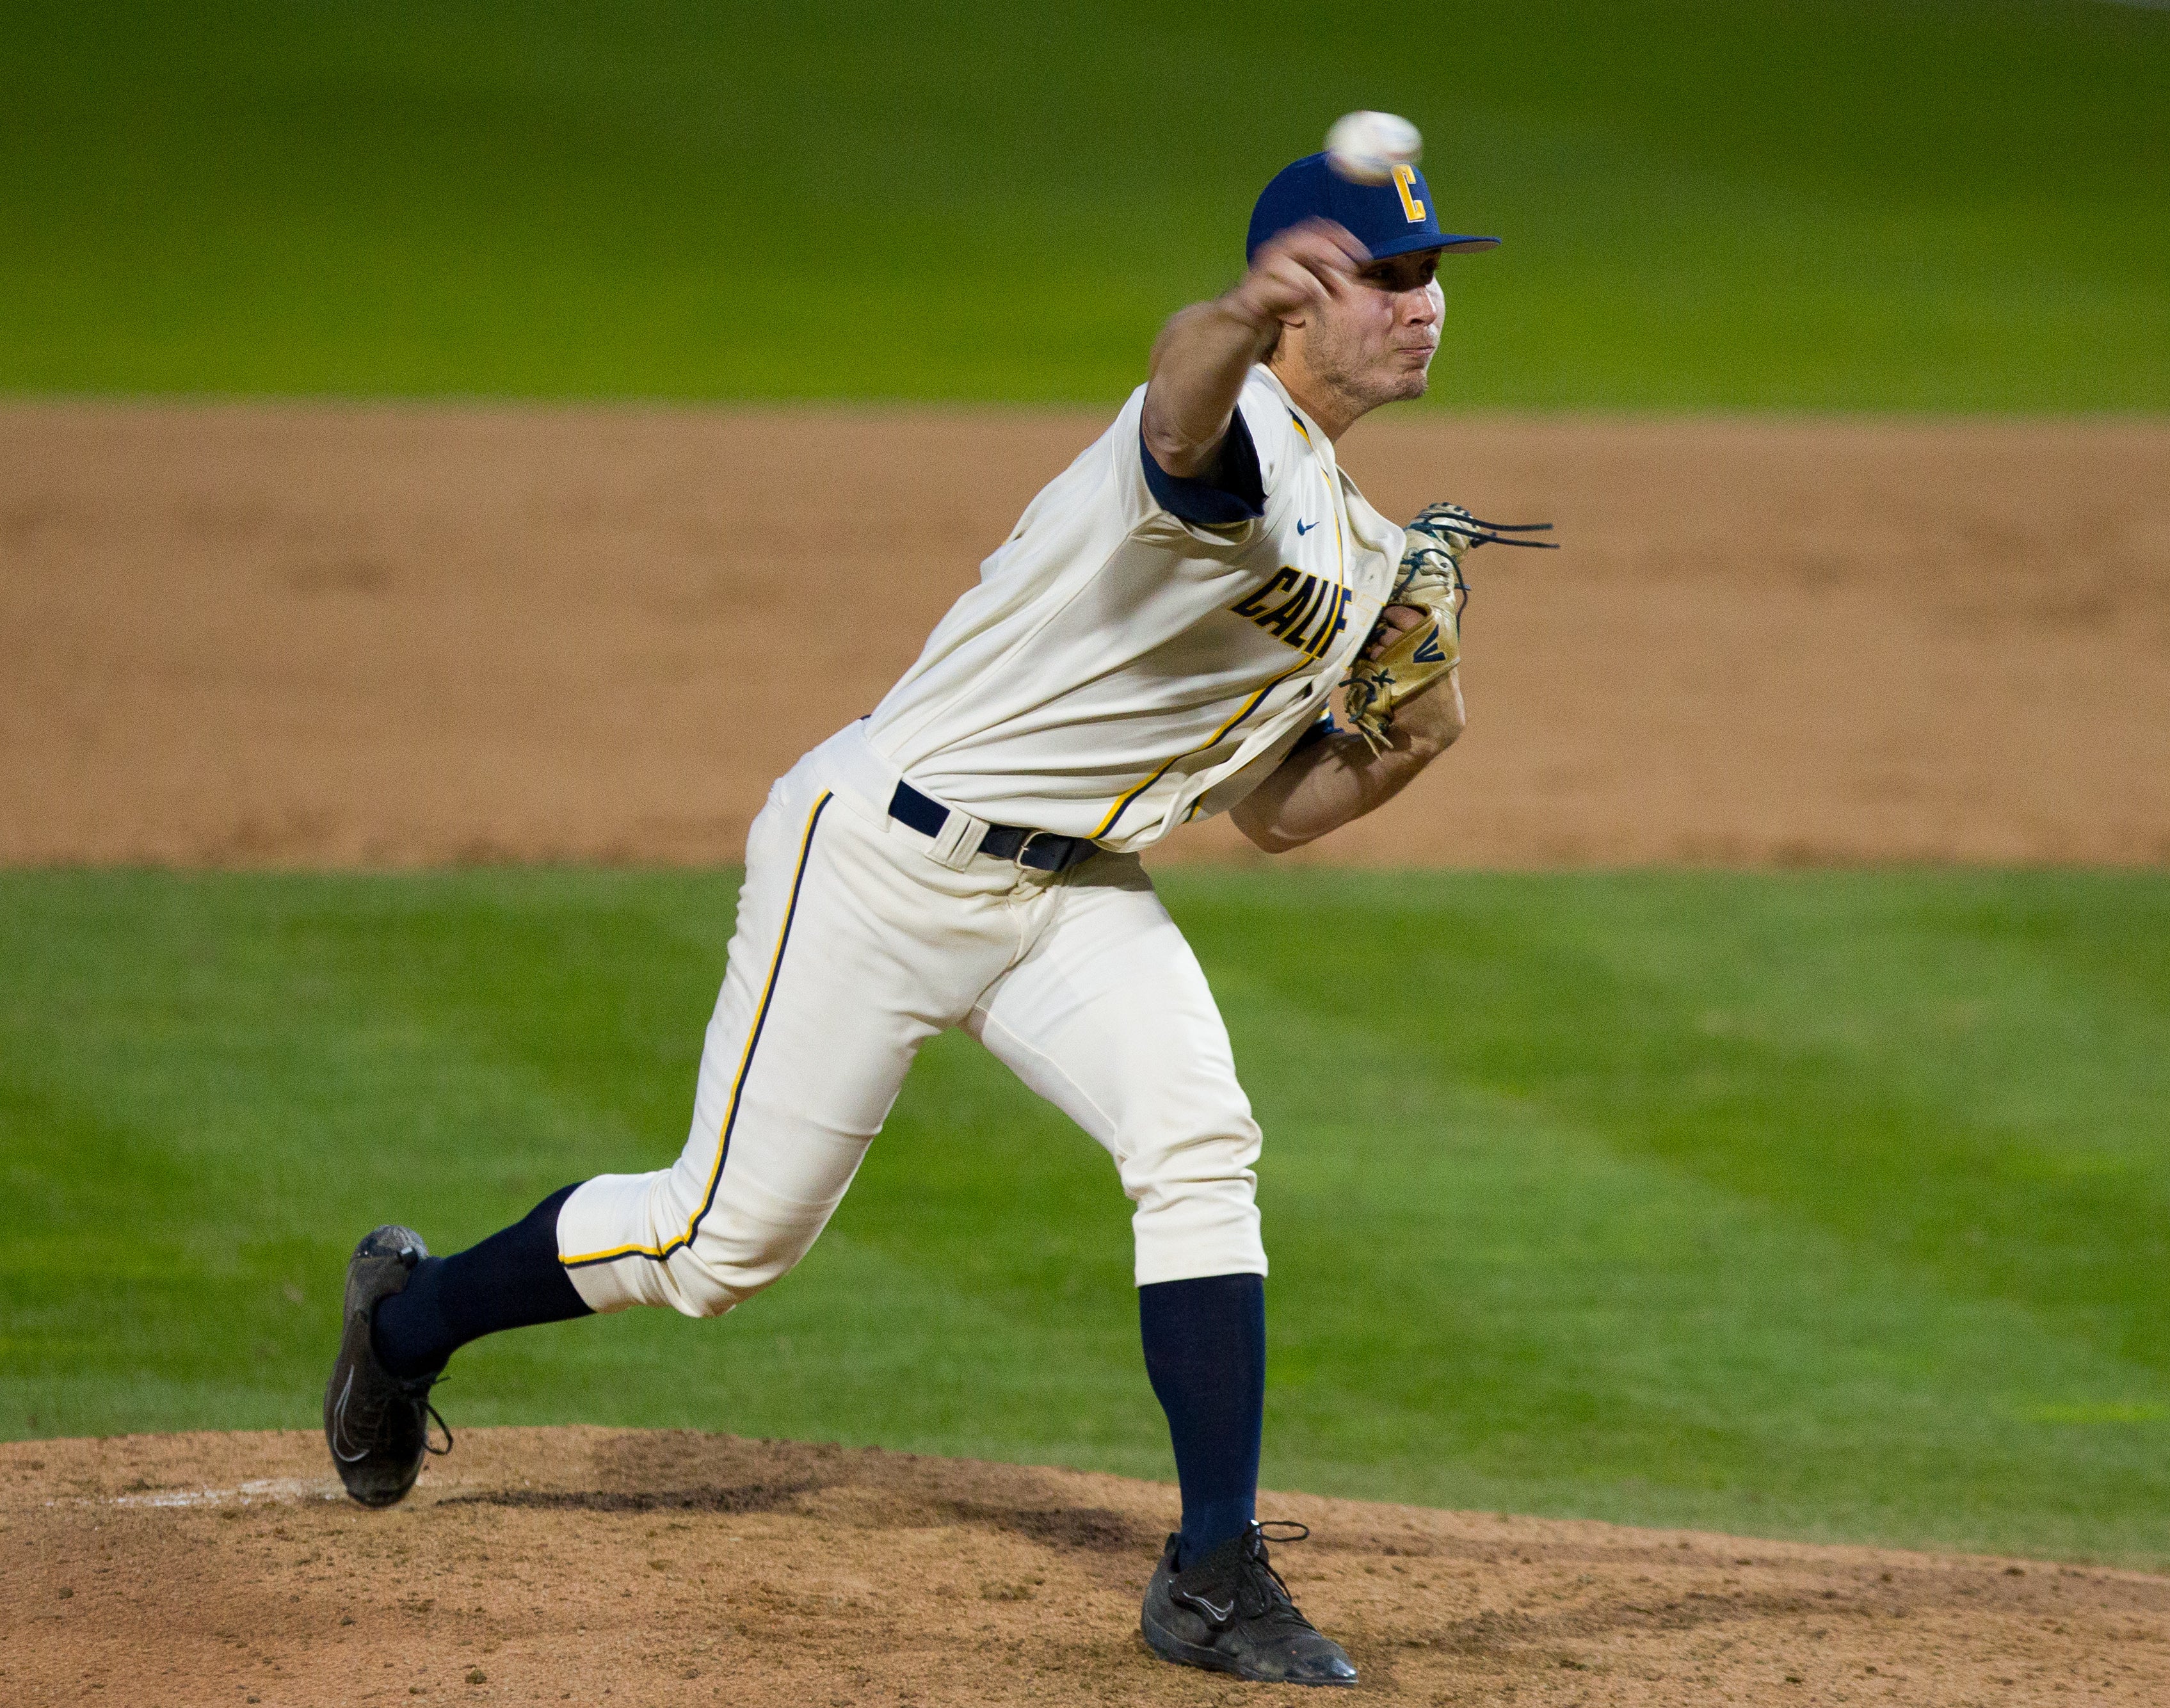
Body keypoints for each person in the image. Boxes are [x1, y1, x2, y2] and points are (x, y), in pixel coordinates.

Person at [326, 147, 1515, 1688]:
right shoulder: (1229, 441)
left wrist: (1414, 743)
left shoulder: (1362, 550)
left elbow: (1273, 814)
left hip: (1070, 891)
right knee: (715, 1241)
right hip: (881, 862)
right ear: (1298, 300)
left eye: (1433, 279)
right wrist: (1227, 311)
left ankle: (1210, 1570)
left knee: (1199, 1139)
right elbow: (1175, 401)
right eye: (1385, 276)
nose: (1422, 308)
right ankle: (406, 1322)